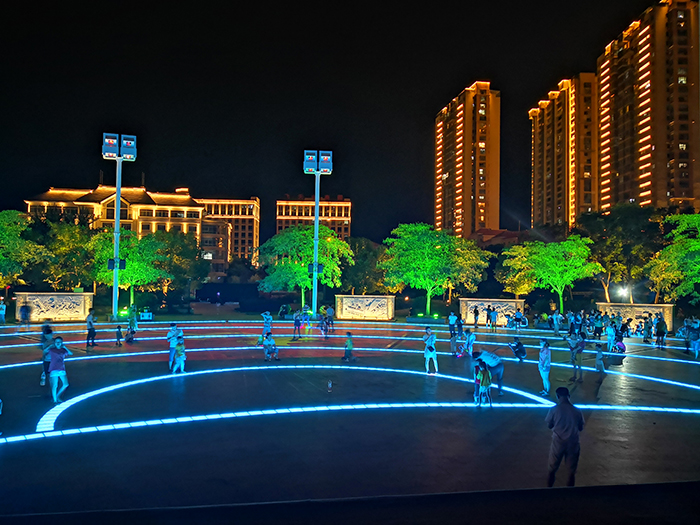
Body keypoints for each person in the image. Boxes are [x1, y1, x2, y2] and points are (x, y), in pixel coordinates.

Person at [545, 387, 585, 487]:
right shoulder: (577, 411)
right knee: (571, 472)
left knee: (552, 469)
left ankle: (548, 490)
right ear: (569, 396)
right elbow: (580, 428)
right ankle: (569, 493)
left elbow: (549, 425)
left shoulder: (554, 410)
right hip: (573, 442)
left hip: (558, 441)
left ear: (558, 396)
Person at [48, 336, 73, 404]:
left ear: (62, 342)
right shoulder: (52, 350)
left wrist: (65, 347)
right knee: (55, 385)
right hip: (53, 369)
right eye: (56, 342)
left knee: (66, 384)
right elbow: (45, 352)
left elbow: (71, 353)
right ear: (54, 343)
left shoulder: (63, 350)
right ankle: (55, 400)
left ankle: (57, 396)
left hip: (61, 368)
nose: (58, 343)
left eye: (59, 342)